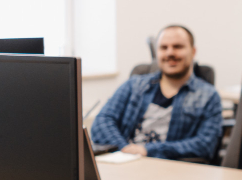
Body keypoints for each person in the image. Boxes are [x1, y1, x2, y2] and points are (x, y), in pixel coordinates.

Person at [91, 25, 223, 162]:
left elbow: (205, 144)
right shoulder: (134, 85)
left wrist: (147, 150)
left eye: (178, 47)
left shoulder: (208, 95)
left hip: (170, 170)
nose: (170, 53)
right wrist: (125, 149)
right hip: (124, 164)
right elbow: (102, 122)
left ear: (193, 51)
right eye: (163, 47)